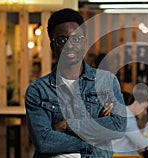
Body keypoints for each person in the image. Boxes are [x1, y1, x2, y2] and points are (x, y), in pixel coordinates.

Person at [25, 8, 127, 158]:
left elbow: (118, 126)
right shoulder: (38, 90)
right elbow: (44, 141)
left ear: (84, 42)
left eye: (76, 38)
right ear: (52, 46)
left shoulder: (106, 82)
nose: (70, 45)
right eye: (61, 40)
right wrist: (94, 133)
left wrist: (67, 125)